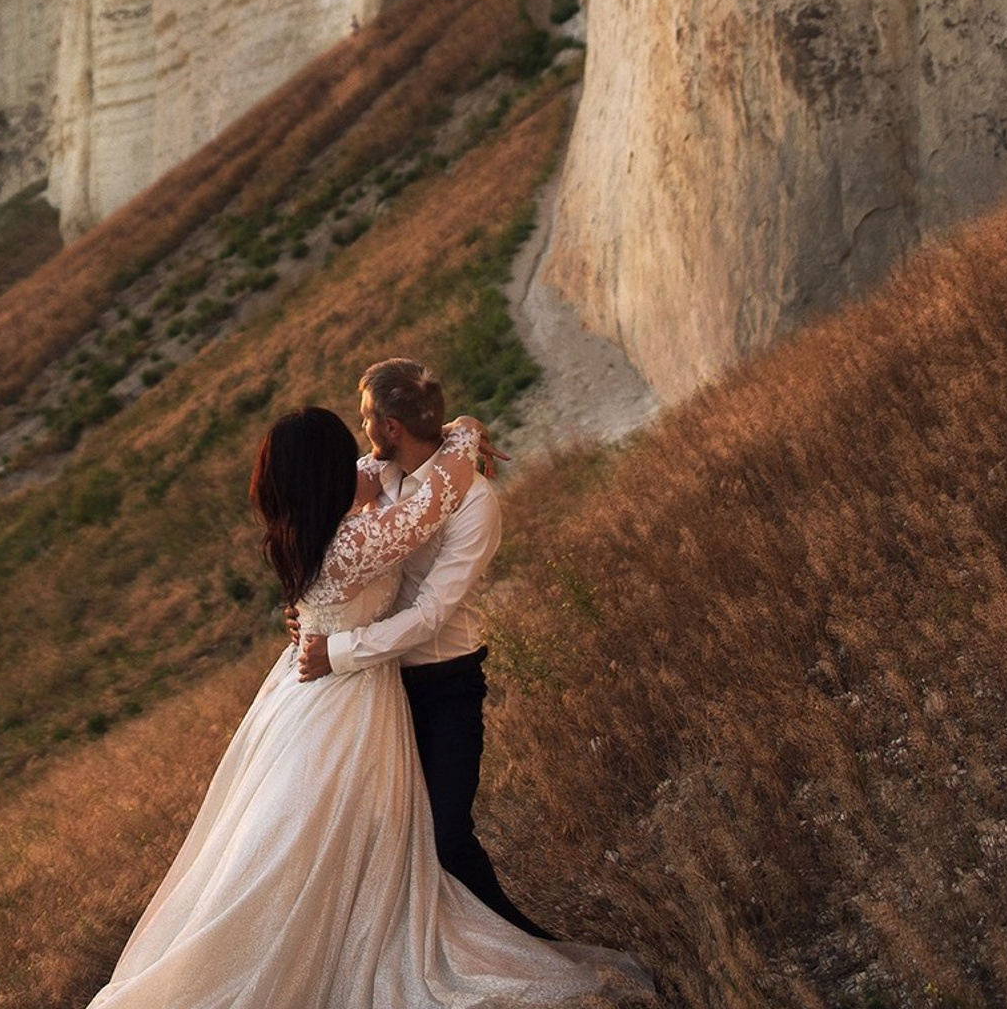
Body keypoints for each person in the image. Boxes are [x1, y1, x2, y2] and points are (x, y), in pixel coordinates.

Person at [84, 404, 652, 1009]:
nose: (363, 452)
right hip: (343, 706)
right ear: (326, 473)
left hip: (312, 697)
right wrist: (463, 430)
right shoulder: (352, 540)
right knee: (320, 845)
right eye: (346, 449)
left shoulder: (309, 528)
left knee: (317, 847)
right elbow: (431, 504)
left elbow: (385, 479)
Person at [297, 358, 546, 935]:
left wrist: (337, 649)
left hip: (444, 685)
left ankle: (528, 948)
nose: (362, 431)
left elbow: (432, 614)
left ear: (390, 426)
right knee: (382, 838)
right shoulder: (373, 475)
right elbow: (313, 530)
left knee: (447, 835)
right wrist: (306, 611)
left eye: (366, 418)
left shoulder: (475, 501)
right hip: (374, 689)